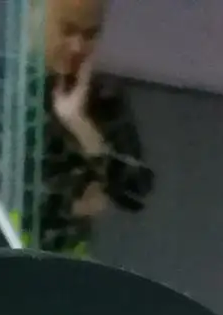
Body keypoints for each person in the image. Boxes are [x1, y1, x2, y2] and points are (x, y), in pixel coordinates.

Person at [37, 0, 152, 258]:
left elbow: (136, 192)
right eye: (67, 30)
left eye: (90, 35)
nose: (77, 47)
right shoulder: (3, 85)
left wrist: (82, 127)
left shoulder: (104, 98)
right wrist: (73, 204)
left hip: (66, 262)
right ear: (37, 17)